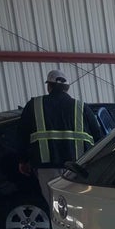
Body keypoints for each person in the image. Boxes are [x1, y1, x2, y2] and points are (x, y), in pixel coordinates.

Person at [18, 70, 104, 206]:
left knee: (56, 208)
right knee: (78, 207)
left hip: (47, 166)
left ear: (49, 86)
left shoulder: (34, 105)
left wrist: (23, 161)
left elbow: (22, 135)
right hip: (77, 168)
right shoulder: (81, 106)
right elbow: (99, 137)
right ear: (67, 88)